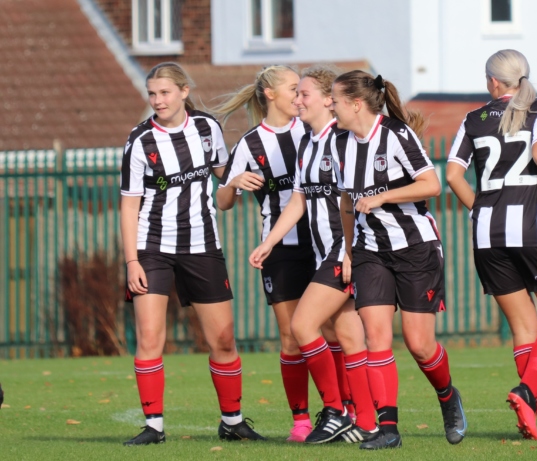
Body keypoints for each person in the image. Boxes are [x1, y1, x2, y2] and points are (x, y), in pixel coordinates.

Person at [120, 62, 265, 446]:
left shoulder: (207, 129)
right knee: (150, 337)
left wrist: (233, 180)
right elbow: (129, 206)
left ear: (184, 92)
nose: (157, 100)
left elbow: (223, 174)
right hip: (152, 249)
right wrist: (132, 260)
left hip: (202, 245)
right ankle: (153, 427)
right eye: (152, 94)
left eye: (165, 92)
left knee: (223, 339)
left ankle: (232, 421)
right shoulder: (139, 141)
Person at [330, 70, 467, 450]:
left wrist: (382, 198)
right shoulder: (338, 142)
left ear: (356, 104)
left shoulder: (395, 134)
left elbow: (432, 185)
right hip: (370, 250)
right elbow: (345, 202)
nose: (331, 106)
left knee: (419, 343)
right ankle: (387, 429)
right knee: (376, 336)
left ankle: (447, 396)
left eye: (335, 100)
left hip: (415, 248)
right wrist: (348, 249)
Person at [446, 49, 537, 441]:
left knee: (524, 327)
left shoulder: (472, 119)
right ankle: (528, 391)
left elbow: (453, 175)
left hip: (487, 235)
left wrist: (479, 211)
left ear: (492, 82)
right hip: (533, 227)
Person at [247, 65, 378, 444]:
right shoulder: (309, 142)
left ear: (326, 100)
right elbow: (299, 201)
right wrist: (269, 241)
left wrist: (352, 253)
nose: (297, 101)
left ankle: (336, 411)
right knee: (350, 339)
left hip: (344, 251)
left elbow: (353, 200)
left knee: (303, 327)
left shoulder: (342, 140)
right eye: (296, 94)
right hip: (326, 253)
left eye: (304, 94)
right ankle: (366, 422)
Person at [212, 65, 320, 442]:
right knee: (292, 337)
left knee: (336, 333)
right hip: (281, 252)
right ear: (271, 94)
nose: (300, 94)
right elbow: (223, 201)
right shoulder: (250, 144)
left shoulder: (314, 130)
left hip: (324, 244)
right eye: (294, 88)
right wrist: (234, 182)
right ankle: (302, 421)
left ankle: (343, 411)